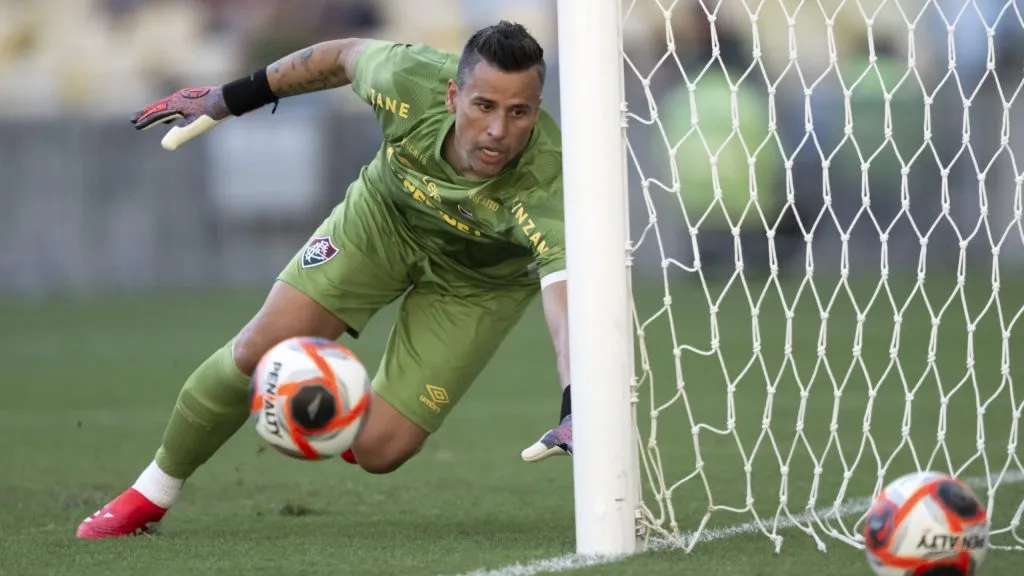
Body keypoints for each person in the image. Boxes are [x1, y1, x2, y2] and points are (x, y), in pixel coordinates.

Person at [76, 21, 575, 539]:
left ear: (536, 110)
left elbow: (566, 306)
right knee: (259, 347)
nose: (498, 130)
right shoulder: (408, 78)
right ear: (453, 96)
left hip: (478, 283)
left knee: (381, 451)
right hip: (383, 221)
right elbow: (341, 56)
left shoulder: (552, 181)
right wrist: (227, 99)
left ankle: (327, 405)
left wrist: (574, 403)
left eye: (519, 112)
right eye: (484, 106)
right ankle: (151, 492)